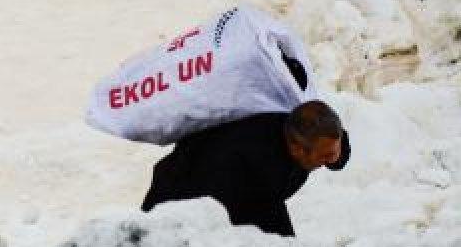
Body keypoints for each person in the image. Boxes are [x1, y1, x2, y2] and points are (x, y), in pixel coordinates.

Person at [141, 100, 350, 237]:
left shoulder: (306, 131)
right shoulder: (253, 166)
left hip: (247, 191)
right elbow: (267, 231)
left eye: (334, 151)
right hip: (177, 199)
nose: (330, 160)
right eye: (325, 156)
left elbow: (337, 144)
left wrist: (336, 157)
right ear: (297, 149)